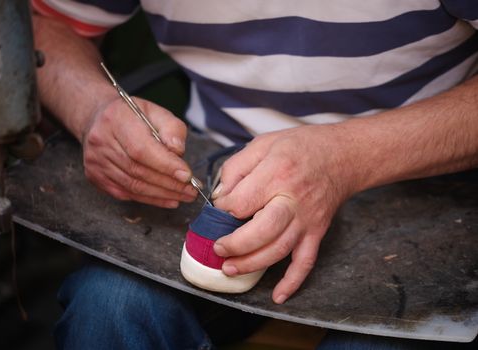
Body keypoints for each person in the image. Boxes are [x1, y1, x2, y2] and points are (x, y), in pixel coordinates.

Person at [31, 1, 478, 349]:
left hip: (415, 182)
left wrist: (347, 158)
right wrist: (91, 108)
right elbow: (44, 23)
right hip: (220, 171)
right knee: (108, 308)